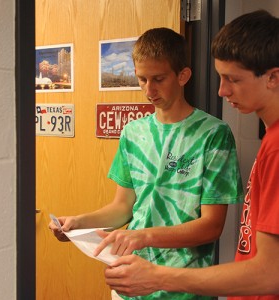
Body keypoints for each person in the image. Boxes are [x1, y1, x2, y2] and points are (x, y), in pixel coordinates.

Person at [49, 27, 243, 299]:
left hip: (184, 288)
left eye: (159, 79)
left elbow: (211, 226)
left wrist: (144, 236)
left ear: (183, 76)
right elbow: (123, 207)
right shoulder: (132, 132)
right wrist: (78, 223)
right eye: (142, 79)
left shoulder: (213, 134)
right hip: (130, 280)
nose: (149, 90)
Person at [104, 9, 279, 300]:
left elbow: (269, 273)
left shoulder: (236, 139)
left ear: (273, 77)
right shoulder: (271, 141)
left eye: (232, 79)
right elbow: (123, 206)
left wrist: (157, 275)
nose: (221, 91)